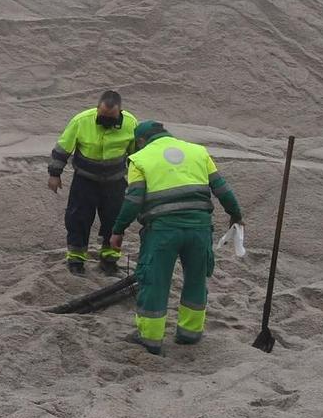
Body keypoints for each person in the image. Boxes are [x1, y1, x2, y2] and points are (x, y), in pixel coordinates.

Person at [108, 120, 244, 355]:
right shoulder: (198, 152)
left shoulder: (139, 159)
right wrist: (236, 215)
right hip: (200, 230)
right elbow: (222, 189)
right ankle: (190, 333)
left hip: (162, 232)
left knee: (155, 281)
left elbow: (133, 200)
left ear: (141, 141)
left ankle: (150, 338)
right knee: (196, 280)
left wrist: (118, 230)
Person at [47, 90, 136, 276]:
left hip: (115, 182)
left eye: (111, 118)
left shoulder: (130, 123)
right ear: (97, 109)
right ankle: (76, 260)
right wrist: (54, 174)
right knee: (78, 219)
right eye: (102, 116)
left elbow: (138, 154)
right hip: (85, 180)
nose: (106, 121)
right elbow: (63, 148)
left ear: (120, 111)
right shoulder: (81, 121)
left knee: (115, 221)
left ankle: (109, 260)